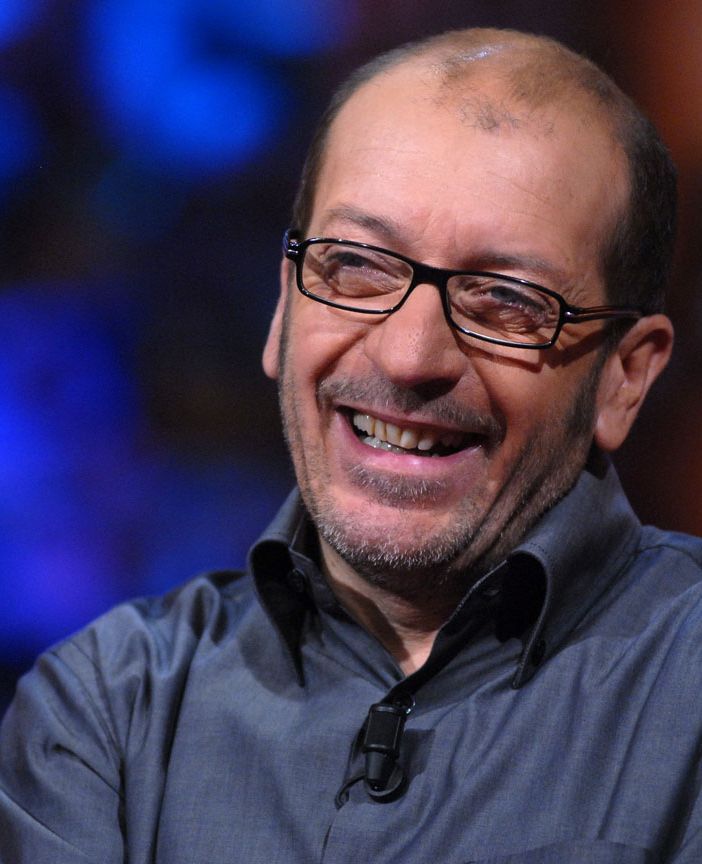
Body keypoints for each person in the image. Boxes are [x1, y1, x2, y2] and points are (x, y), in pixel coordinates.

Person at [0, 26, 699, 864]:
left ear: (624, 377)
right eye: (356, 266)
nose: (408, 357)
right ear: (282, 310)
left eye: (506, 299)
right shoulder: (111, 711)